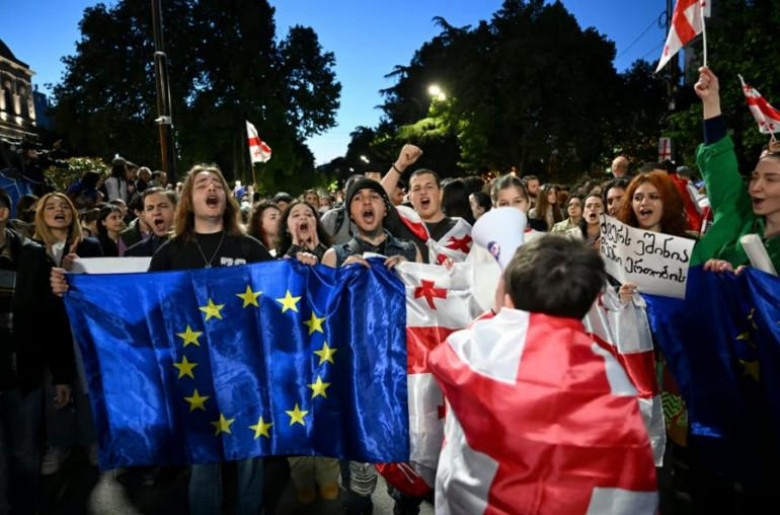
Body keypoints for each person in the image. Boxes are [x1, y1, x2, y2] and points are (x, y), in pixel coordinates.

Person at [429, 236, 656, 514]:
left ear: (508, 292)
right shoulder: (611, 376)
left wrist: (498, 311)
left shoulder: (476, 346)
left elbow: (440, 358)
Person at [148, 165, 271, 514]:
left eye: (217, 183)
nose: (212, 188)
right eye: (202, 184)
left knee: (250, 452)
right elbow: (145, 304)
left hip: (244, 370)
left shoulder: (249, 247)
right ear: (189, 199)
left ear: (227, 198)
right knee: (203, 457)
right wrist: (73, 285)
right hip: (193, 371)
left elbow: (280, 292)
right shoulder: (170, 253)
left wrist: (303, 264)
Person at [320, 177, 420, 515]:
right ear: (350, 211)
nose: (366, 202)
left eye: (374, 197)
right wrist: (337, 280)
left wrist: (413, 276)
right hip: (356, 384)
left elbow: (428, 311)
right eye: (358, 198)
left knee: (406, 488)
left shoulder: (410, 251)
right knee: (358, 491)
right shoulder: (336, 255)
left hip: (400, 381)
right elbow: (319, 320)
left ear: (385, 207)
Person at [0, 188, 74, 514]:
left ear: (2, 213)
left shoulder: (31, 256)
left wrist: (61, 376)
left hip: (22, 376)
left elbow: (52, 322)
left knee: (24, 455)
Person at [32, 193, 103, 474]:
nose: (58, 210)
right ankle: (58, 444)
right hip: (49, 329)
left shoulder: (91, 245)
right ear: (41, 215)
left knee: (87, 385)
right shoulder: (32, 250)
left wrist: (80, 273)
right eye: (51, 207)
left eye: (64, 206)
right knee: (55, 387)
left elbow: (103, 287)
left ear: (73, 213)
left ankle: (92, 440)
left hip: (82, 326)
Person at [687, 67, 780, 273]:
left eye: (771, 178)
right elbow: (720, 165)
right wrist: (711, 101)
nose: (756, 187)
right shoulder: (736, 207)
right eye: (755, 176)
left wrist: (742, 280)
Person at [124, 187, 177, 257]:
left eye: (162, 206)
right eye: (150, 208)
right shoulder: (133, 254)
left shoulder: (191, 247)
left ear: (176, 210)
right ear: (144, 215)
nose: (156, 212)